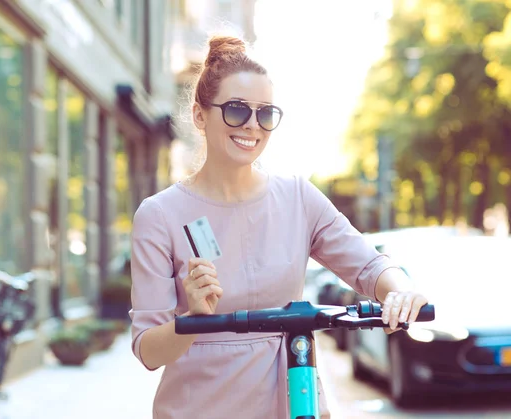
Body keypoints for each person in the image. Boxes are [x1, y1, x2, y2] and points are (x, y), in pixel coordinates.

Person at [129, 35, 428, 419]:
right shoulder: (159, 215)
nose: (252, 126)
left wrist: (401, 290)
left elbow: (369, 266)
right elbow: (148, 351)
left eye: (265, 113)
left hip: (294, 403)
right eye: (237, 110)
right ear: (200, 115)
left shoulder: (299, 197)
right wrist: (192, 321)